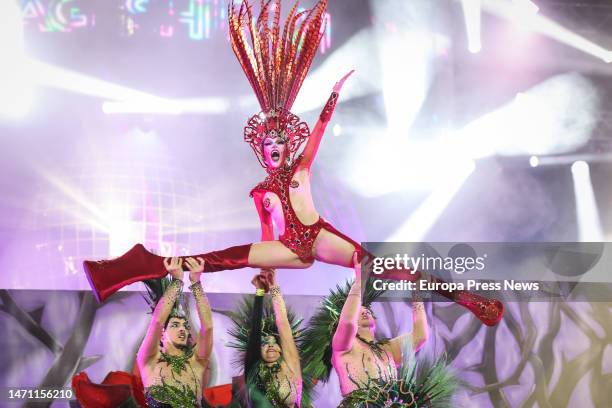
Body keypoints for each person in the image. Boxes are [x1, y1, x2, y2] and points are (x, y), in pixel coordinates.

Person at [82, 0, 503, 327]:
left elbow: (317, 132)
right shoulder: (262, 192)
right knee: (221, 258)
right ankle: (132, 266)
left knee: (380, 267)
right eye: (270, 144)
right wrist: (270, 276)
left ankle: (467, 299)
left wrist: (333, 95)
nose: (277, 147)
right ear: (262, 151)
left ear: (287, 144)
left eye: (282, 141)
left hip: (317, 237)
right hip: (288, 248)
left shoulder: (302, 168)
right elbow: (266, 234)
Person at [302, 253, 459, 407]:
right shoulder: (344, 347)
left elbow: (420, 336)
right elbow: (348, 323)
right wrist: (359, 282)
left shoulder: (387, 350)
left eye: (368, 308)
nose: (364, 311)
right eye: (359, 309)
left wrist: (417, 296)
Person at [137, 257, 213, 407]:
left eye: (185, 326)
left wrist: (196, 282)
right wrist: (177, 280)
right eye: (175, 325)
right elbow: (158, 321)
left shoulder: (196, 362)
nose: (182, 329)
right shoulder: (150, 360)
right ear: (162, 334)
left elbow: (208, 327)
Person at [229, 269, 311, 407]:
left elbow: (283, 324)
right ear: (259, 350)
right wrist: (260, 292)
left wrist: (273, 288)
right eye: (265, 343)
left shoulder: (292, 365)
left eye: (274, 342)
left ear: (281, 348)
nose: (270, 345)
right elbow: (255, 330)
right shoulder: (253, 369)